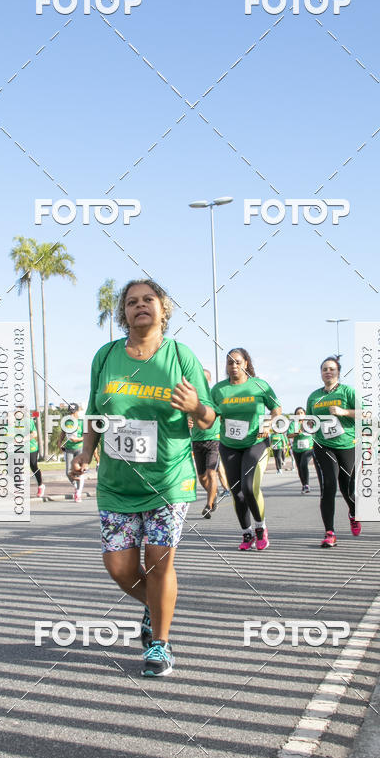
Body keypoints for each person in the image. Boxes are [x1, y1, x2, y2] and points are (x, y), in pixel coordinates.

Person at [71, 279, 216, 677]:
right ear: (124, 313)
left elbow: (208, 418)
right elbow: (93, 413)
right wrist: (85, 453)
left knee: (157, 562)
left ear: (163, 309)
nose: (140, 306)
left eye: (148, 300)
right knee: (118, 566)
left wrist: (196, 406)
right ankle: (156, 608)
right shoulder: (106, 356)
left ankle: (160, 645)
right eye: (131, 302)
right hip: (117, 481)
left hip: (168, 478)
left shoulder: (180, 356)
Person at [211, 348, 281, 551]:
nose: (234, 366)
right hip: (230, 444)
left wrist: (269, 424)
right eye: (230, 362)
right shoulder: (219, 390)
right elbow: (210, 414)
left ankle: (260, 528)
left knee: (249, 487)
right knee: (237, 493)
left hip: (255, 441)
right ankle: (246, 532)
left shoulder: (259, 385)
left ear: (246, 363)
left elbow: (276, 408)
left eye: (238, 362)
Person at [306, 356, 359, 548]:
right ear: (321, 373)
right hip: (322, 445)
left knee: (347, 488)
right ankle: (330, 532)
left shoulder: (348, 391)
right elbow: (310, 420)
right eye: (324, 369)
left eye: (331, 369)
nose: (328, 372)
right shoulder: (314, 396)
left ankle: (353, 512)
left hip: (346, 444)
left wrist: (344, 412)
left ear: (338, 372)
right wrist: (309, 423)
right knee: (328, 486)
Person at [190, 369, 221, 519]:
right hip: (196, 439)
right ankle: (212, 494)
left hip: (214, 439)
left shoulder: (213, 396)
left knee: (211, 473)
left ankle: (208, 505)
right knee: (202, 476)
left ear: (208, 381)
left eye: (204, 379)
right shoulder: (191, 395)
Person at [62, 404, 86, 502]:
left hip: (79, 448)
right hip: (69, 448)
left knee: (79, 471)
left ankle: (78, 493)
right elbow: (63, 433)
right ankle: (76, 486)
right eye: (70, 412)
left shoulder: (82, 422)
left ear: (77, 411)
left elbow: (87, 435)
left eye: (74, 412)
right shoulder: (66, 421)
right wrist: (60, 443)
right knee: (68, 472)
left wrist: (79, 439)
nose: (72, 414)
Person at [288, 406, 314, 493]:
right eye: (297, 413)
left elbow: (315, 431)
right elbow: (288, 435)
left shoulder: (309, 422)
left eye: (301, 413)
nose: (299, 414)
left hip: (308, 448)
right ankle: (304, 485)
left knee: (303, 464)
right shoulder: (293, 424)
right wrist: (296, 433)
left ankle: (306, 485)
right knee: (299, 468)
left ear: (305, 414)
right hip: (297, 449)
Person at [30, 413, 44, 497]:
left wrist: (23, 439)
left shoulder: (28, 420)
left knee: (33, 466)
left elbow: (34, 434)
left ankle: (41, 486)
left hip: (31, 448)